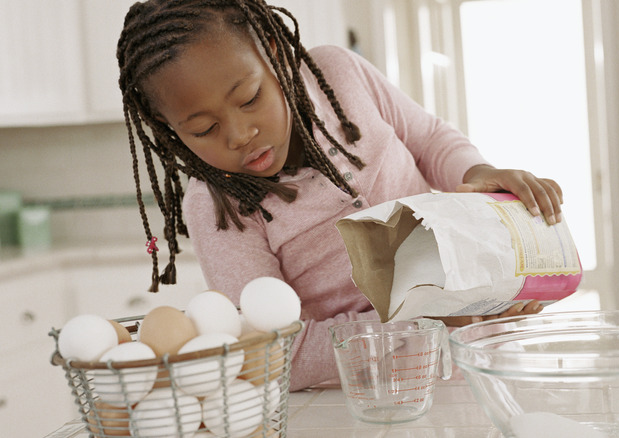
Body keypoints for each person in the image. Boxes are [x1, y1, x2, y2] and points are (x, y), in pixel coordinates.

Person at [117, 0, 564, 391]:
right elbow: (278, 354)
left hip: (475, 361)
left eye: (250, 97)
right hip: (364, 396)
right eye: (204, 129)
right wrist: (427, 323)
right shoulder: (219, 207)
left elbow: (428, 138)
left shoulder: (338, 74)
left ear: (273, 54)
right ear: (168, 129)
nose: (240, 134)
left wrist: (479, 171)